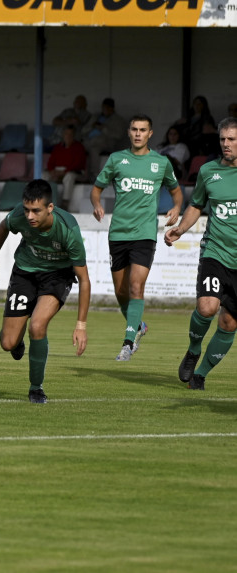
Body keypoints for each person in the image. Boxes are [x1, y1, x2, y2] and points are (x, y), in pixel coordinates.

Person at [0, 179, 90, 404]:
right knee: (8, 343)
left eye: (36, 211)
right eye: (26, 210)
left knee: (37, 325)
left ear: (50, 208)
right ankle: (17, 340)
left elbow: (84, 279)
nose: (30, 216)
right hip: (24, 272)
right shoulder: (19, 216)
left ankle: (36, 388)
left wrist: (80, 325)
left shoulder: (68, 229)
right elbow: (4, 227)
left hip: (57, 276)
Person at [90, 114, 182, 361]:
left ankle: (128, 343)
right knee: (121, 292)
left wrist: (176, 208)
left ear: (150, 133)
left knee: (135, 286)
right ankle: (139, 325)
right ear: (129, 132)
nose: (138, 133)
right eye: (134, 129)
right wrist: (97, 204)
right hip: (118, 233)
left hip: (144, 234)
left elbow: (176, 192)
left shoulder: (161, 163)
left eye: (143, 130)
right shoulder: (116, 159)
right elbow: (96, 189)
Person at [163, 117, 237, 391]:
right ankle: (193, 350)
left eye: (231, 139)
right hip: (215, 252)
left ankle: (201, 374)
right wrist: (181, 229)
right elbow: (197, 205)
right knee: (207, 307)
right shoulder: (208, 171)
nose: (226, 144)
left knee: (229, 323)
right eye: (223, 139)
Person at [43, 124, 87, 211]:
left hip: (74, 172)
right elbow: (50, 162)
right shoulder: (57, 147)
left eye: (70, 134)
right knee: (44, 175)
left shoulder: (79, 147)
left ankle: (65, 203)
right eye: (66, 133)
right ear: (63, 135)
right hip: (57, 171)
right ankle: (44, 201)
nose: (68, 136)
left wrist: (64, 172)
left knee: (69, 177)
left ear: (74, 135)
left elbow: (78, 164)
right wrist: (52, 171)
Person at [82, 97, 129, 177]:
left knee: (94, 149)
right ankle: (81, 173)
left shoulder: (118, 120)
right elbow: (83, 130)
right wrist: (92, 126)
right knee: (78, 147)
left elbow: (119, 135)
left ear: (112, 108)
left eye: (107, 108)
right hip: (89, 141)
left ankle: (94, 174)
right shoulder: (96, 116)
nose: (105, 110)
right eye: (104, 108)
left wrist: (103, 128)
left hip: (106, 143)